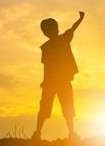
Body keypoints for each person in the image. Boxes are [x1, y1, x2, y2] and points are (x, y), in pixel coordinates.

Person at [32, 11, 85, 140]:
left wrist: (80, 19)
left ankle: (68, 133)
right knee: (56, 107)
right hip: (57, 81)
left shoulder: (52, 44)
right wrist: (81, 18)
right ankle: (39, 132)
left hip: (58, 81)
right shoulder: (53, 44)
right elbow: (47, 66)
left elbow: (73, 28)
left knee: (64, 106)